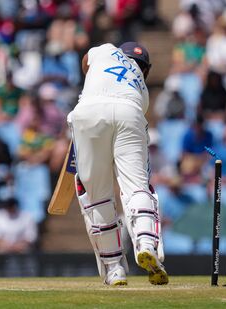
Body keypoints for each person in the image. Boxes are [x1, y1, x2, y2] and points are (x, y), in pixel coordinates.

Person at [67, 42, 168, 286]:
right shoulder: (142, 90)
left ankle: (114, 269)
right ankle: (145, 244)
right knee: (136, 187)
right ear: (146, 70)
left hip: (87, 112)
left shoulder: (104, 49)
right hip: (129, 112)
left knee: (95, 194)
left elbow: (85, 63)